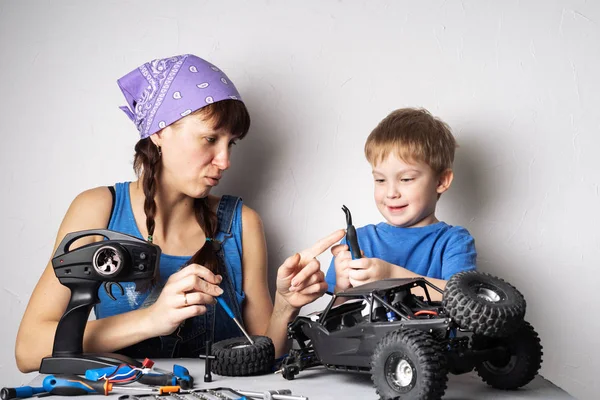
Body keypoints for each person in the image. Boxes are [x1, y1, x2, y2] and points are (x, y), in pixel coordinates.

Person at [15, 54, 344, 372]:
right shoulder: (98, 211)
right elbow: (29, 350)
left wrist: (286, 306)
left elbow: (264, 360)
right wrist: (151, 319)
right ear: (158, 132)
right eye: (210, 138)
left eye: (231, 144)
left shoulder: (242, 224)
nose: (225, 161)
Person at [326, 108, 476, 300]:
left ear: (441, 181)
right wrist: (342, 287)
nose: (391, 193)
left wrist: (390, 276)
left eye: (406, 179)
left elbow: (464, 299)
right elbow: (336, 321)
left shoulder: (454, 241)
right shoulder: (359, 240)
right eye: (380, 180)